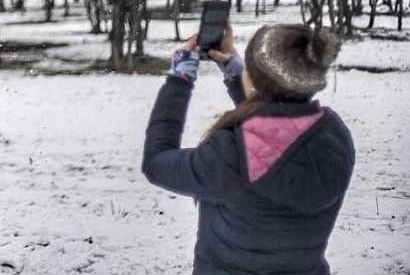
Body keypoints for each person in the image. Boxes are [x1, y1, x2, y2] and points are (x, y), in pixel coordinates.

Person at [142, 21, 355, 275]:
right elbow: (278, 132)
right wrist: (234, 69)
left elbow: (157, 162)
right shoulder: (333, 134)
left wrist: (180, 77)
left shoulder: (228, 157)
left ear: (254, 77)